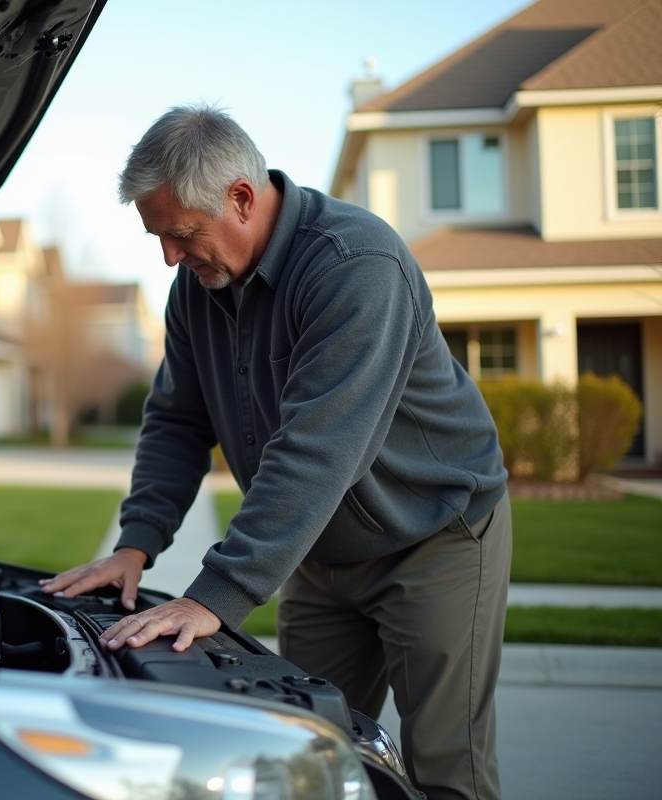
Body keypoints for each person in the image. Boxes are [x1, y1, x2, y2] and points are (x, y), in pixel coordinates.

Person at [40, 105, 511, 800]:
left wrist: (216, 596)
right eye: (159, 237)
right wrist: (135, 544)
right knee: (302, 757)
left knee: (447, 770)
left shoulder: (356, 265)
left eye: (181, 234)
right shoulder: (195, 292)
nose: (169, 257)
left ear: (241, 198)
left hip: (432, 536)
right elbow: (175, 420)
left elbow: (319, 449)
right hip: (320, 554)